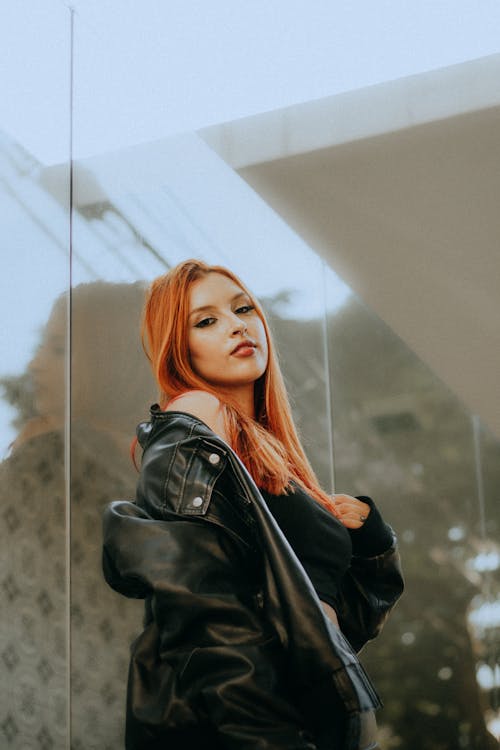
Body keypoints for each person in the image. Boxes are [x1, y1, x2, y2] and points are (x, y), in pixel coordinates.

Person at [102, 259, 404, 750]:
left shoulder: (269, 457)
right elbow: (201, 605)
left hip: (306, 718)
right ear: (179, 350)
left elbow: (328, 629)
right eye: (206, 321)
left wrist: (371, 546)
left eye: (243, 308)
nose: (237, 324)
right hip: (251, 726)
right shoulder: (196, 417)